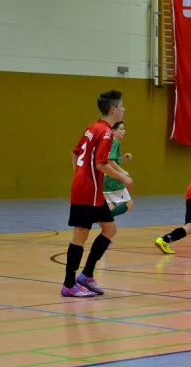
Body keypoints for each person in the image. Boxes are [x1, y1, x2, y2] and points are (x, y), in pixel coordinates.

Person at [62, 90, 134, 297]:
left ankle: (86, 275)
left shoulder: (93, 127)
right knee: (80, 234)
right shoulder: (106, 132)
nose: (124, 110)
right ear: (113, 110)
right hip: (87, 191)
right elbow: (101, 164)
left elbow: (75, 152)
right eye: (121, 106)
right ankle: (69, 285)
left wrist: (79, 174)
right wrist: (123, 177)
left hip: (92, 191)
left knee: (109, 229)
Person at [103, 121, 134, 218]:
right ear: (113, 131)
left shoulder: (108, 142)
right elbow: (110, 161)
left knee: (111, 206)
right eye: (121, 129)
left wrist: (122, 158)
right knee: (129, 205)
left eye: (124, 129)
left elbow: (110, 160)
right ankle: (100, 217)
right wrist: (122, 172)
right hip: (112, 179)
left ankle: (104, 220)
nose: (124, 131)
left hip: (104, 178)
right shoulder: (115, 142)